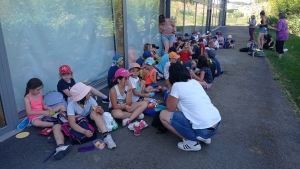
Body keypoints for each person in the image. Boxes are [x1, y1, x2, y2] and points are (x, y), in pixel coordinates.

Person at [159, 63, 221, 151]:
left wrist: (169, 87)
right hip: (216, 125)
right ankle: (205, 138)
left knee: (163, 115)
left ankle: (190, 142)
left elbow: (170, 108)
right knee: (188, 109)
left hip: (203, 131)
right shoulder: (194, 82)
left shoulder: (176, 86)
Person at [24, 78, 71, 160]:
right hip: (36, 117)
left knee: (61, 106)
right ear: (31, 89)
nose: (39, 91)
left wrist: (48, 108)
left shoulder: (39, 95)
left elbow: (43, 106)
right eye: (38, 89)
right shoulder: (27, 98)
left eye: (40, 89)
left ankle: (62, 118)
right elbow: (29, 112)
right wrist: (43, 112)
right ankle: (56, 123)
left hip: (45, 114)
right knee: (36, 123)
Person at [68, 82, 116, 149]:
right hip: (81, 123)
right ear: (82, 97)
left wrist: (101, 110)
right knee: (92, 115)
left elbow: (101, 113)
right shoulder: (71, 105)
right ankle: (96, 130)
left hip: (90, 118)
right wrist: (84, 131)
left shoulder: (90, 99)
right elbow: (72, 123)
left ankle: (107, 136)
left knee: (94, 113)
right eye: (87, 93)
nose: (90, 93)